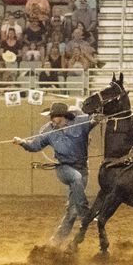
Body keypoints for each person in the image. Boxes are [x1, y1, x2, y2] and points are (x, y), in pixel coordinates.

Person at [13, 102, 99, 244]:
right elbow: (35, 145)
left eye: (54, 116)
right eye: (51, 116)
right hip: (63, 168)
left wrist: (97, 118)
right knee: (76, 178)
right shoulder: (48, 130)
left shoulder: (80, 122)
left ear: (62, 116)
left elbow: (94, 119)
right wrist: (22, 142)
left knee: (72, 211)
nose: (51, 119)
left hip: (82, 168)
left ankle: (56, 242)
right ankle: (85, 213)